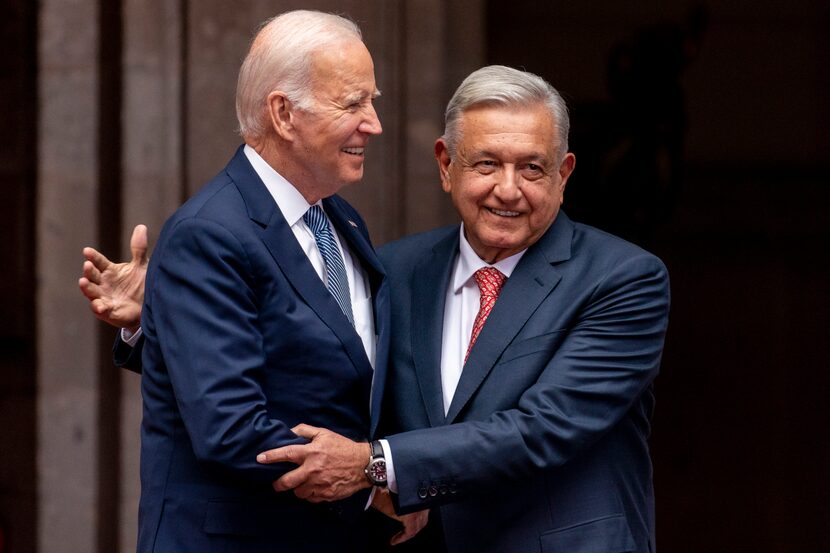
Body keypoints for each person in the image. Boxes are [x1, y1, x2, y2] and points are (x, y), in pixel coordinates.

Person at [82, 65, 670, 553]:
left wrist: (375, 465)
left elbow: (543, 428)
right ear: (446, 165)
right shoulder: (394, 268)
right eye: (487, 164)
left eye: (532, 168)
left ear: (564, 174)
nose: (509, 189)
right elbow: (318, 374)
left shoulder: (623, 280)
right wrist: (161, 319)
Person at [79, 10, 425, 553]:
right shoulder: (209, 233)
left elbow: (322, 369)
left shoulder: (341, 218)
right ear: (284, 113)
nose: (374, 123)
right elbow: (230, 426)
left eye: (373, 101)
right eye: (353, 103)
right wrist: (374, 482)